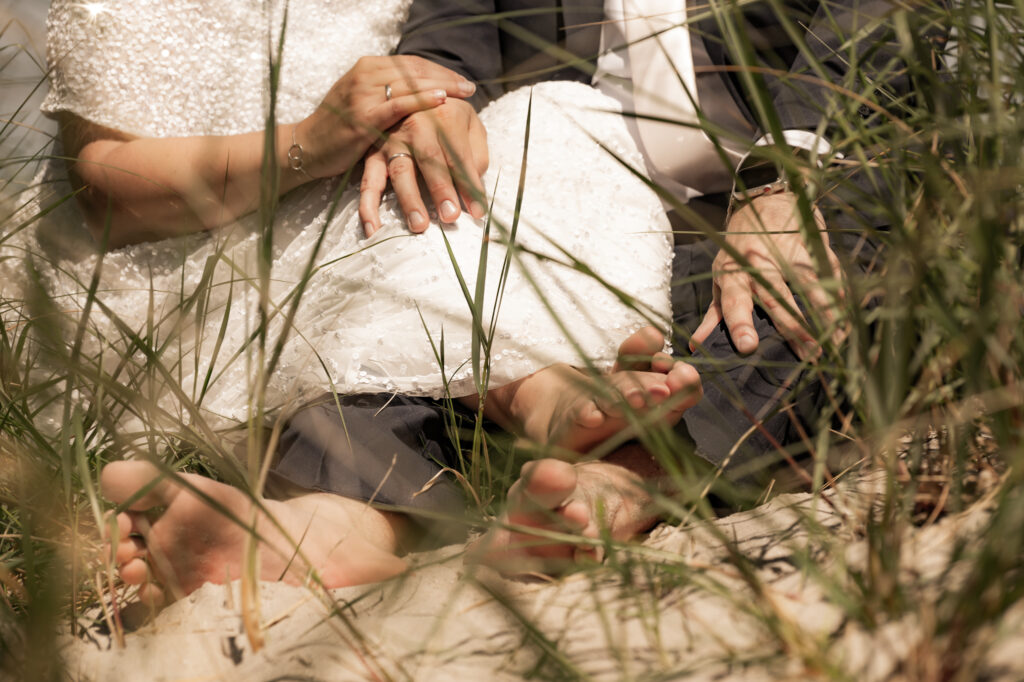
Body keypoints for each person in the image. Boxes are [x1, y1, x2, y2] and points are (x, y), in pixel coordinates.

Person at [16, 0, 704, 603]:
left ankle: (329, 532)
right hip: (191, 258)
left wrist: (434, 120)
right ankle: (540, 394)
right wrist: (311, 143)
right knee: (385, 222)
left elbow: (448, 62)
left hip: (369, 219)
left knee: (550, 117)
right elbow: (107, 193)